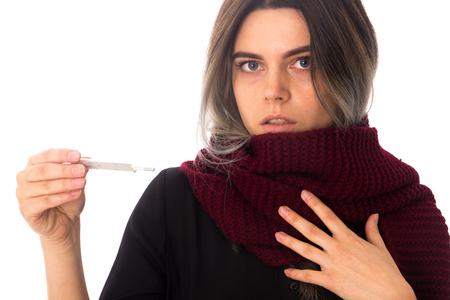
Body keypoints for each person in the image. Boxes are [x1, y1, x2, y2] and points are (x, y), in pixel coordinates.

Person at [15, 0, 450, 299]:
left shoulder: (408, 213)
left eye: (303, 62)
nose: (273, 91)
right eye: (251, 65)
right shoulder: (179, 203)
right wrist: (60, 242)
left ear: (349, 66)